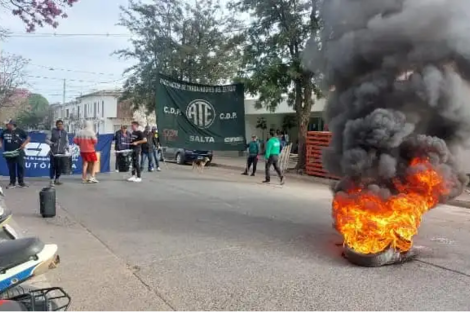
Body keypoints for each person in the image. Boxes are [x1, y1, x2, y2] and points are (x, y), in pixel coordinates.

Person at [0, 120, 30, 189]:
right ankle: (12, 183)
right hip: (9, 152)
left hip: (19, 151)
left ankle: (21, 183)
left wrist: (24, 144)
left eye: (8, 124)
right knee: (11, 167)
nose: (6, 126)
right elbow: (1, 138)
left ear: (12, 124)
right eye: (6, 125)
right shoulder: (4, 131)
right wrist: (0, 143)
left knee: (21, 166)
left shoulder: (20, 131)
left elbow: (28, 138)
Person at [45, 119, 69, 186]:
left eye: (61, 124)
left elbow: (67, 141)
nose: (60, 126)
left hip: (61, 153)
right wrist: (52, 143)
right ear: (56, 125)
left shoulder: (65, 132)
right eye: (59, 124)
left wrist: (67, 148)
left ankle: (57, 179)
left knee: (60, 167)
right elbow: (46, 140)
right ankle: (51, 180)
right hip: (53, 152)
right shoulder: (52, 131)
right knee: (53, 166)